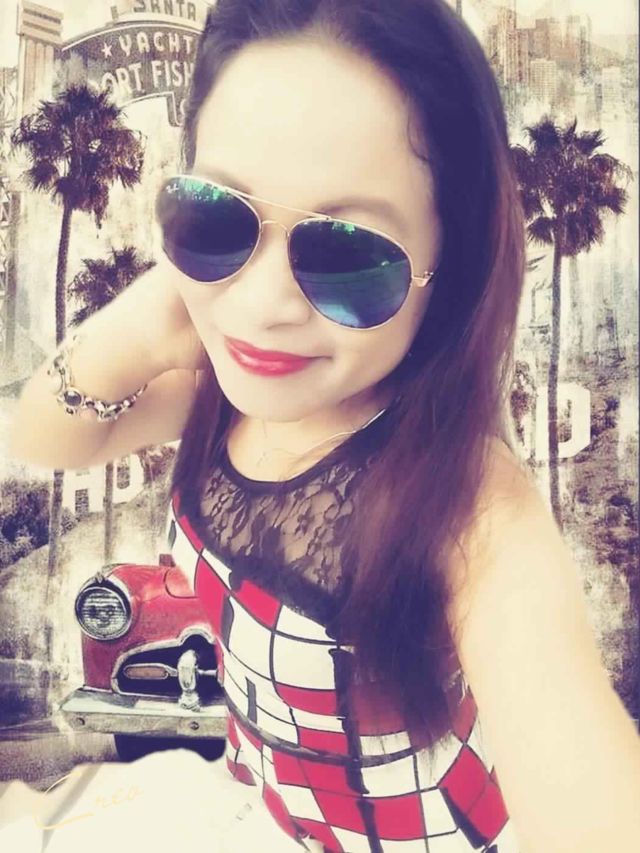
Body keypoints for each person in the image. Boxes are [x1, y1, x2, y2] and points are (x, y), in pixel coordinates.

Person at [7, 1, 640, 851]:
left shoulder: (474, 507)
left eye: (348, 254)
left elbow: (591, 807)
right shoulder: (224, 396)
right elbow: (43, 438)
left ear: (447, 263)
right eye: (215, 217)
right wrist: (140, 325)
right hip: (260, 815)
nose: (263, 305)